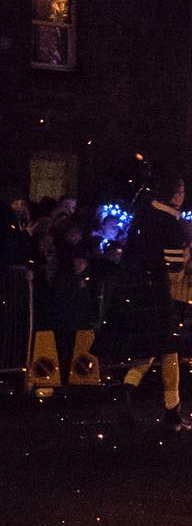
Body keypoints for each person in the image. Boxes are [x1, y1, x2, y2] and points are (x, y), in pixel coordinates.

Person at [96, 168, 189, 432]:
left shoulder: (143, 216)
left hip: (132, 292)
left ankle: (126, 391)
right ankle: (172, 410)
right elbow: (175, 270)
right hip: (157, 293)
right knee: (170, 349)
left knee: (146, 349)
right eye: (180, 190)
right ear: (174, 193)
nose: (183, 196)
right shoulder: (171, 223)